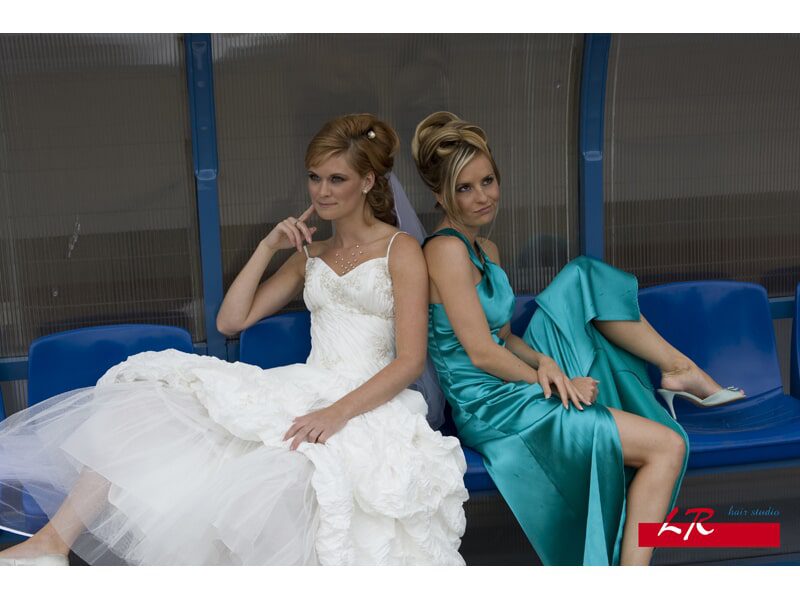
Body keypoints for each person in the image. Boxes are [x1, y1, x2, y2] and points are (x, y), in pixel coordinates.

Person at [0, 113, 467, 566]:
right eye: (314, 177)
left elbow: (409, 360)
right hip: (308, 383)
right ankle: (51, 544)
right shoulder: (312, 254)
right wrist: (268, 247)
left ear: (366, 182)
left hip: (367, 401)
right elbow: (231, 320)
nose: (322, 191)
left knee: (283, 476)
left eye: (336, 179)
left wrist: (336, 413)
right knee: (142, 409)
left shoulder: (400, 249)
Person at [412, 111, 744, 566]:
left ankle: (677, 368)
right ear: (439, 195)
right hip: (489, 406)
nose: (483, 197)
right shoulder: (445, 250)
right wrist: (554, 381)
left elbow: (504, 336)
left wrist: (546, 364)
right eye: (465, 188)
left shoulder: (485, 249)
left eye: (487, 181)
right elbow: (482, 352)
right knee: (668, 445)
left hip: (515, 386)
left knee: (584, 275)